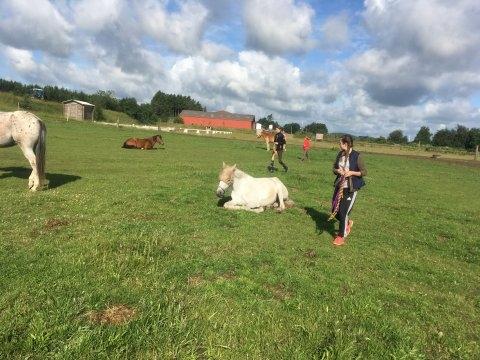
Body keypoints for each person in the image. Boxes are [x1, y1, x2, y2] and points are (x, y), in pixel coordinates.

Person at [330, 134, 367, 246]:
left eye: (340, 143)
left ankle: (341, 236)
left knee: (343, 212)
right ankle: (347, 223)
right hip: (340, 185)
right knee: (334, 210)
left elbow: (364, 172)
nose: (339, 145)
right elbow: (334, 168)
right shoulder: (340, 154)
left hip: (351, 187)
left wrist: (351, 172)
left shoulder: (357, 156)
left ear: (345, 144)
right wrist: (338, 171)